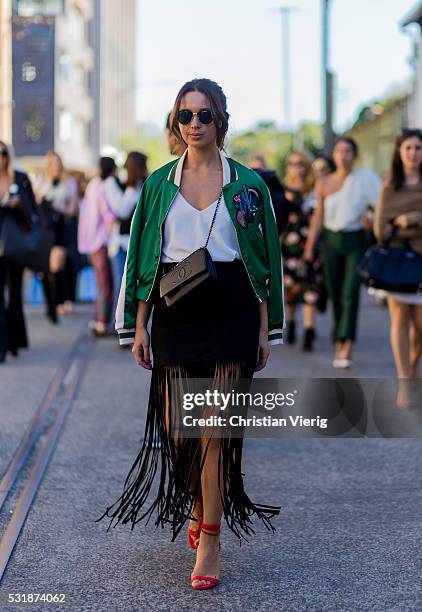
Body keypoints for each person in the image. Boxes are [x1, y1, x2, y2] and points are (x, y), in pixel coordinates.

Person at [96, 78, 285, 590]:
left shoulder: (248, 184)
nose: (195, 125)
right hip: (176, 310)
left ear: (221, 119)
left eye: (204, 115)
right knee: (182, 433)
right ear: (176, 123)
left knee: (215, 434)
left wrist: (266, 328)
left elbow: (265, 259)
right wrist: (138, 323)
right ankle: (201, 510)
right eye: (186, 116)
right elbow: (142, 256)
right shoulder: (158, 184)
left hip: (232, 311)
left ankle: (211, 541)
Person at [304, 137, 381, 368]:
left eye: (348, 151)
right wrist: (309, 247)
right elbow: (318, 216)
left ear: (354, 155)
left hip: (355, 239)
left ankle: (346, 344)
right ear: (334, 155)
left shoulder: (365, 179)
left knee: (350, 292)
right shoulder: (324, 182)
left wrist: (372, 222)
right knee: (335, 291)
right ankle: (339, 337)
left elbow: (379, 207)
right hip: (331, 240)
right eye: (339, 151)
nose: (343, 155)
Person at [374, 129, 422, 407]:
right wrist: (405, 227)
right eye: (408, 148)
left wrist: (414, 218)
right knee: (400, 321)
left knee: (420, 326)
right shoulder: (389, 185)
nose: (413, 153)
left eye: (418, 148)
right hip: (396, 262)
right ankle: (405, 380)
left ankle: (412, 370)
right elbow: (382, 230)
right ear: (399, 152)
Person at [281, 151, 324, 351]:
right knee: (290, 289)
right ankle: (291, 325)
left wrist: (310, 248)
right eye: (291, 163)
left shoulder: (313, 190)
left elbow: (317, 220)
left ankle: (308, 331)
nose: (295, 167)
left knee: (309, 289)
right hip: (288, 246)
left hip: (308, 244)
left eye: (299, 163)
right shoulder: (283, 189)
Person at [0, 141, 38, 362]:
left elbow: (33, 213)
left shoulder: (20, 178)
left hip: (15, 245)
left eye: (4, 154)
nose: (1, 158)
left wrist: (18, 204)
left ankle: (14, 341)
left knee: (15, 294)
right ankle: (3, 344)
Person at [34, 151, 79, 322]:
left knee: (57, 265)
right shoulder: (41, 181)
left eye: (58, 162)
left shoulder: (69, 183)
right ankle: (51, 303)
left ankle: (60, 301)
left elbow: (72, 209)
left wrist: (55, 207)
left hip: (61, 227)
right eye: (52, 163)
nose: (56, 166)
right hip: (44, 230)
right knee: (44, 270)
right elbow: (34, 202)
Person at [78, 157, 116, 336]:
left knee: (100, 282)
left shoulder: (93, 184)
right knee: (105, 283)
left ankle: (98, 319)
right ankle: (101, 321)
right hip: (100, 240)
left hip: (90, 240)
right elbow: (107, 214)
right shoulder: (102, 186)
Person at [105, 151, 148, 297]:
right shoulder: (126, 186)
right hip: (122, 243)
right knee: (121, 283)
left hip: (132, 242)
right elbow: (122, 211)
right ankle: (120, 319)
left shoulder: (141, 186)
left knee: (128, 283)